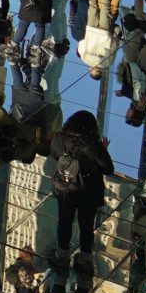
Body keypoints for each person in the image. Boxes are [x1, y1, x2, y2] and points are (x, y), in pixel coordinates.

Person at [46, 110, 114, 267]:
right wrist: (103, 150)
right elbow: (108, 169)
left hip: (65, 189)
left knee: (64, 222)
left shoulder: (59, 138)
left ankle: (61, 255)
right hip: (87, 193)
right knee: (86, 226)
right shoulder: (93, 146)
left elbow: (55, 155)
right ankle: (85, 259)